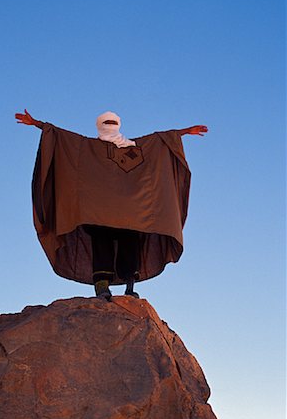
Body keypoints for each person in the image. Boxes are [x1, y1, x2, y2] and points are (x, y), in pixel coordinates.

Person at [15, 109, 208, 301]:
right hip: (98, 213)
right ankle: (102, 286)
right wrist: (37, 123)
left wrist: (184, 132)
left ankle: (129, 287)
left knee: (130, 243)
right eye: (105, 123)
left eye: (113, 123)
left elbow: (159, 140)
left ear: (119, 125)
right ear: (99, 125)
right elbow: (61, 137)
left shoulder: (135, 147)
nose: (109, 126)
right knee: (101, 243)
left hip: (129, 213)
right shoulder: (86, 147)